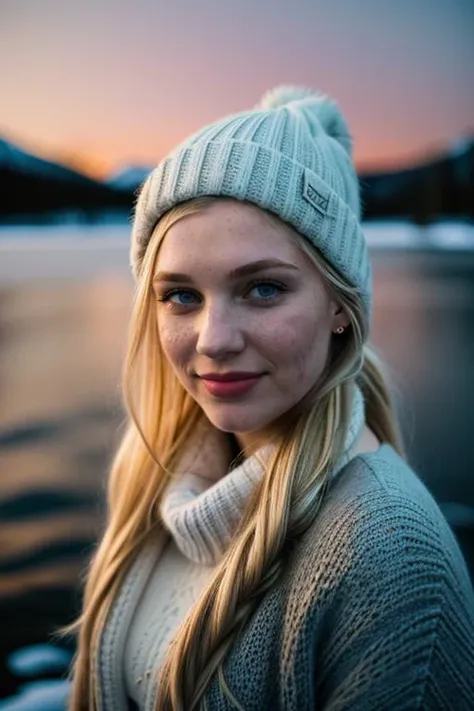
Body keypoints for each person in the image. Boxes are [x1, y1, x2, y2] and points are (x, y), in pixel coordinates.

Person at [67, 86, 474, 711]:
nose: (215, 341)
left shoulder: (388, 557)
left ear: (341, 305)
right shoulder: (157, 473)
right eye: (180, 295)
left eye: (261, 289)